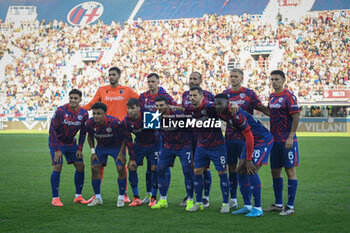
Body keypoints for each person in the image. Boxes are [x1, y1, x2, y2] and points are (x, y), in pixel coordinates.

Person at [83, 67, 139, 203]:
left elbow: (140, 102)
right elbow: (91, 105)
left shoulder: (127, 90)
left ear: (119, 76)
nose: (111, 77)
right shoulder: (102, 90)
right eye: (110, 75)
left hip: (120, 132)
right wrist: (74, 110)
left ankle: (124, 194)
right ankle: (97, 195)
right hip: (103, 129)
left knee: (121, 164)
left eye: (114, 74)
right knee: (98, 165)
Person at [214, 93, 274, 217]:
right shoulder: (219, 110)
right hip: (250, 140)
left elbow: (249, 136)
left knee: (251, 169)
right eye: (215, 104)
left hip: (262, 139)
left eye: (220, 104)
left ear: (227, 103)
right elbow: (206, 104)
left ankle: (258, 208)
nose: (217, 106)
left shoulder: (237, 115)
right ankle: (247, 206)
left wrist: (248, 159)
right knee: (240, 170)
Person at [223, 68, 270, 209]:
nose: (233, 78)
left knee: (245, 168)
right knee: (231, 168)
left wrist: (277, 115)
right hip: (230, 137)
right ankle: (233, 199)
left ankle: (249, 202)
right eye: (231, 76)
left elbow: (262, 108)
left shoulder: (249, 94)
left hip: (246, 137)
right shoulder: (225, 95)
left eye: (236, 76)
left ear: (242, 77)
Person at [185, 87, 230, 214]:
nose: (192, 98)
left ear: (201, 96)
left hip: (217, 146)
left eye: (194, 95)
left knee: (222, 173)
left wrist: (233, 105)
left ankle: (225, 203)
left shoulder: (210, 106)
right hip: (202, 146)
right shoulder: (190, 108)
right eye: (190, 95)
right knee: (197, 171)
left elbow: (225, 107)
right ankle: (199, 203)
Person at [264, 70, 300, 216]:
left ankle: (290, 207)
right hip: (274, 140)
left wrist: (290, 137)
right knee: (275, 171)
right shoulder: (272, 96)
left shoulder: (289, 97)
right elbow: (271, 113)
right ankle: (278, 204)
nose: (274, 82)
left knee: (290, 170)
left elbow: (296, 118)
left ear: (284, 80)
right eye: (272, 79)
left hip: (287, 140)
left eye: (277, 79)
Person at [138, 73, 177, 204]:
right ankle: (149, 195)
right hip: (147, 136)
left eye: (153, 81)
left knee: (161, 167)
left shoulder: (165, 96)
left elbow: (176, 108)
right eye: (148, 81)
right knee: (149, 168)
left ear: (158, 82)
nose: (150, 84)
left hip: (162, 137)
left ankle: (161, 195)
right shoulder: (143, 97)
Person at [151, 96, 194, 210]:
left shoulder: (178, 114)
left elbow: (192, 127)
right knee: (160, 169)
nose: (159, 108)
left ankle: (190, 200)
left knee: (187, 170)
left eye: (162, 105)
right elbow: (156, 132)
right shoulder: (154, 116)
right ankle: (163, 200)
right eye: (157, 106)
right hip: (168, 146)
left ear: (168, 105)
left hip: (184, 145)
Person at [48, 89, 89, 206]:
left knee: (80, 165)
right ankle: (55, 198)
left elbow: (82, 133)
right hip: (57, 142)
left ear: (80, 100)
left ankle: (78, 196)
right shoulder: (60, 110)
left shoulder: (84, 114)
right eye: (71, 98)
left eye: (76, 98)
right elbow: (52, 130)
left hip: (71, 143)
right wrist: (56, 149)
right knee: (58, 166)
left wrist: (80, 148)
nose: (73, 100)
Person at [180, 71, 214, 208]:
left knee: (204, 168)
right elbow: (184, 111)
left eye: (195, 79)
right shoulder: (184, 95)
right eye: (190, 78)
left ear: (201, 81)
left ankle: (205, 197)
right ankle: (190, 195)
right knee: (189, 168)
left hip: (204, 137)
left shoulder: (209, 95)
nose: (192, 81)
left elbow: (213, 114)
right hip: (188, 137)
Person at [85, 102, 127, 207]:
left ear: (105, 114)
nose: (95, 116)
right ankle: (97, 197)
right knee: (94, 168)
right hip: (101, 147)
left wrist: (122, 153)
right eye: (94, 113)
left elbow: (125, 137)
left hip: (116, 146)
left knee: (120, 168)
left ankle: (121, 197)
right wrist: (93, 152)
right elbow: (89, 137)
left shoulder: (115, 123)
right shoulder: (89, 123)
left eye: (98, 114)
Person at [123, 98, 161, 207]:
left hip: (154, 144)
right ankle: (136, 197)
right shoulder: (126, 121)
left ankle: (153, 197)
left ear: (138, 108)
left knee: (154, 168)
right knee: (132, 166)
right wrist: (132, 158)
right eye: (129, 108)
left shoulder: (148, 115)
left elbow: (158, 133)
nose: (130, 111)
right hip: (140, 144)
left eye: (133, 108)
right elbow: (128, 141)